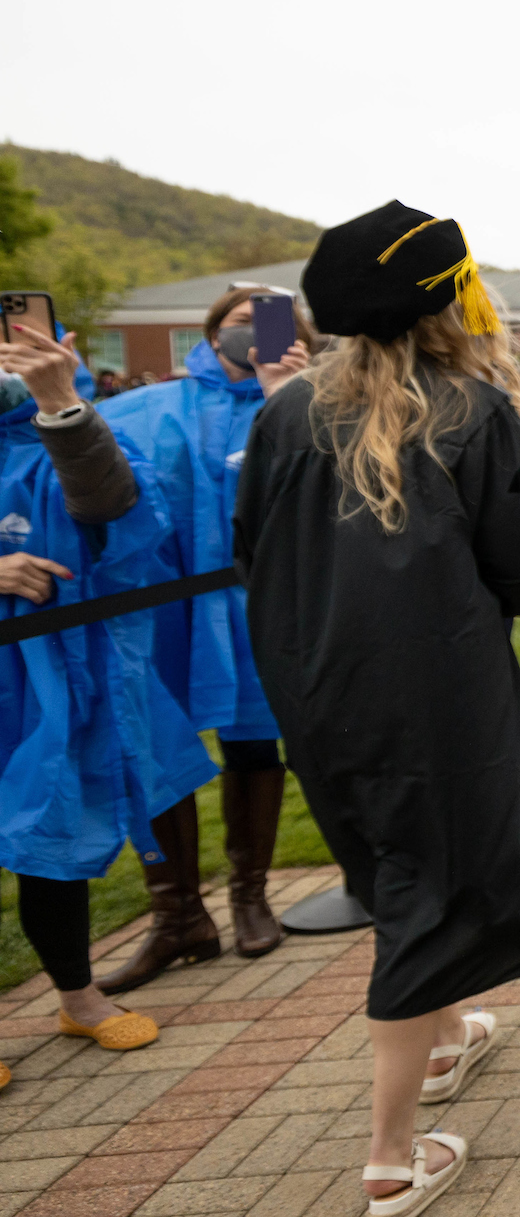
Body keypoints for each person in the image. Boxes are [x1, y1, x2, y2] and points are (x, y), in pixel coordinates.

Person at [236, 202, 520, 1217]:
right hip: (440, 689)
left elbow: (252, 544)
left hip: (315, 682)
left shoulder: (282, 412)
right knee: (436, 885)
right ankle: (388, 1161)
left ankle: (439, 1039)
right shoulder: (468, 408)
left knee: (395, 865)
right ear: (445, 303)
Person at [2, 322, 217, 1087]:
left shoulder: (73, 428)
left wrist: (57, 400)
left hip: (59, 678)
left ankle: (77, 995)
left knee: (55, 831)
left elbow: (120, 514)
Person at [97, 283, 321, 984]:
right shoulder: (146, 407)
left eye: (269, 321)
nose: (250, 331)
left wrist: (293, 386)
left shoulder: (306, 405)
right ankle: (177, 917)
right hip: (164, 610)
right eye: (238, 321)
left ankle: (249, 895)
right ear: (212, 328)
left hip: (257, 607)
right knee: (157, 750)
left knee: (255, 746)